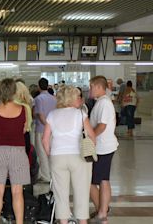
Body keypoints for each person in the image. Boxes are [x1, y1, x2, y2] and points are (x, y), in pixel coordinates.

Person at [42, 86, 96, 224]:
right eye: (78, 97)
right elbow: (92, 136)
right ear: (71, 99)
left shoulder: (52, 115)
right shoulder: (81, 114)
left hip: (58, 157)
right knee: (82, 191)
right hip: (78, 157)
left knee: (60, 194)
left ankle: (64, 222)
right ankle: (83, 222)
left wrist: (51, 154)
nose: (80, 99)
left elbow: (45, 140)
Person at [0, 78, 30, 224]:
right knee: (17, 192)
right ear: (14, 91)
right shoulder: (23, 109)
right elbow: (24, 129)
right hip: (18, 151)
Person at [89, 76, 119, 223]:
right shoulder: (101, 102)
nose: (90, 90)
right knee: (101, 180)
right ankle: (102, 209)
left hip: (103, 147)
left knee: (97, 181)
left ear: (98, 86)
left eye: (91, 87)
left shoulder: (105, 103)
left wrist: (90, 137)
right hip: (101, 147)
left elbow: (102, 125)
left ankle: (102, 212)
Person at [34, 78, 57, 182]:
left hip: (41, 129)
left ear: (39, 87)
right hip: (53, 130)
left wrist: (46, 125)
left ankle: (45, 176)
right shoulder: (54, 98)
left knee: (42, 153)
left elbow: (40, 115)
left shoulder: (38, 99)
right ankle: (52, 175)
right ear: (48, 86)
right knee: (51, 152)